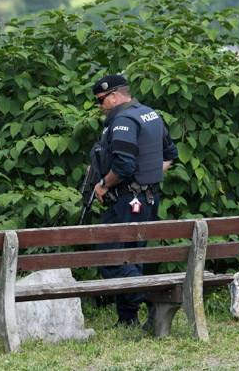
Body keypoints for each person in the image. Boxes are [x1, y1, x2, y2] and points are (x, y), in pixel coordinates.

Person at [90, 74, 178, 329]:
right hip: (147, 198)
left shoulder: (123, 121)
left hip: (127, 200)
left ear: (114, 96)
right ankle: (128, 319)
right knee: (133, 256)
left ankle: (152, 298)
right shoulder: (150, 114)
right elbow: (170, 154)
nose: (99, 106)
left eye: (100, 100)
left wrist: (104, 184)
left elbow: (124, 166)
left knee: (109, 258)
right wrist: (150, 178)